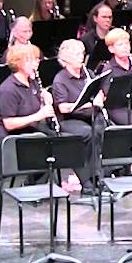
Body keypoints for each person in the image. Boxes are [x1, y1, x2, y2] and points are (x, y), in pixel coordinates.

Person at [50, 39, 102, 191]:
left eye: (82, 53)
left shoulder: (88, 73)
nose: (81, 57)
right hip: (69, 119)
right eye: (77, 54)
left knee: (102, 127)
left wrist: (99, 96)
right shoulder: (60, 80)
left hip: (88, 115)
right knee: (88, 133)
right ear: (66, 59)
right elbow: (63, 108)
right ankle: (89, 177)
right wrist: (85, 104)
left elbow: (98, 90)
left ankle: (103, 172)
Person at [0, 43, 57, 139]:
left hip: (32, 130)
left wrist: (45, 99)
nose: (36, 63)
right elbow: (9, 124)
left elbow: (36, 106)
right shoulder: (8, 90)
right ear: (18, 63)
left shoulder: (32, 81)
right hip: (15, 137)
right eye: (30, 60)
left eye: (36, 59)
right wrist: (38, 115)